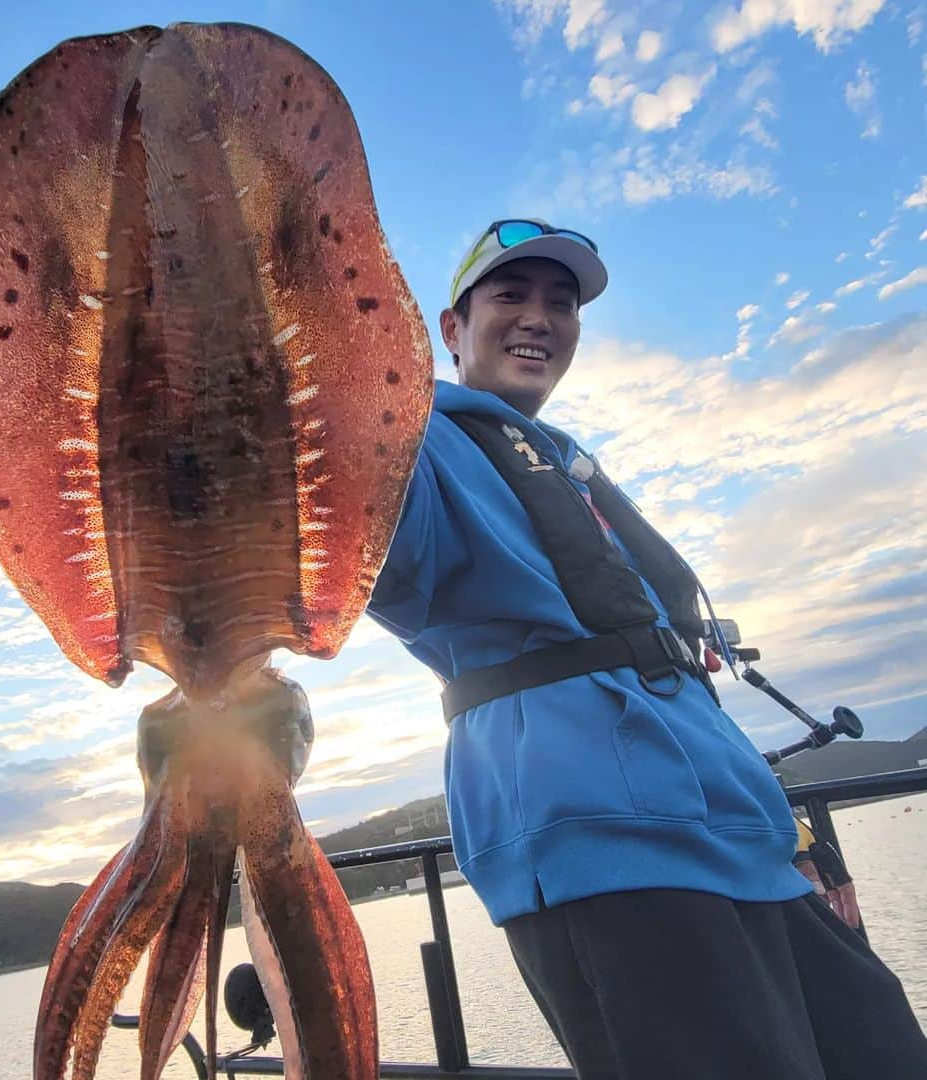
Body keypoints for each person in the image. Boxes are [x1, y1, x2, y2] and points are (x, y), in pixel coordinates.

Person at [365, 219, 927, 1079]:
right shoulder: (411, 445)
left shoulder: (564, 462)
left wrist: (800, 843)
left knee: (885, 1051)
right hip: (604, 846)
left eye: (562, 302)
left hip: (740, 835)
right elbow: (367, 535)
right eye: (510, 295)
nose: (539, 317)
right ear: (449, 329)